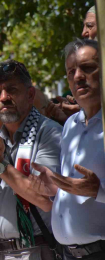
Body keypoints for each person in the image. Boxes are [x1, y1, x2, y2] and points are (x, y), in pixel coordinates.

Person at [0, 60, 63, 260]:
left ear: (30, 95)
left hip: (37, 251)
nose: (4, 97)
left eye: (12, 90)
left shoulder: (50, 133)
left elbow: (45, 201)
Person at [30, 39, 105, 260]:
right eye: (71, 71)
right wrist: (54, 186)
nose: (78, 76)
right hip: (68, 253)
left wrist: (97, 191)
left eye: (88, 68)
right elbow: (75, 190)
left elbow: (90, 190)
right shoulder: (70, 125)